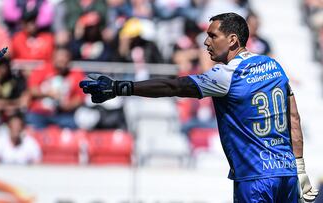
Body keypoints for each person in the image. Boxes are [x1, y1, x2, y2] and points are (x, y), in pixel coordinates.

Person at [80, 12, 319, 203]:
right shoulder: (274, 66)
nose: (206, 42)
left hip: (255, 178)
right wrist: (300, 169)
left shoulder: (227, 75)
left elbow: (174, 86)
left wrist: (122, 87)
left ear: (233, 40)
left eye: (213, 36)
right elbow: (294, 119)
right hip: (287, 173)